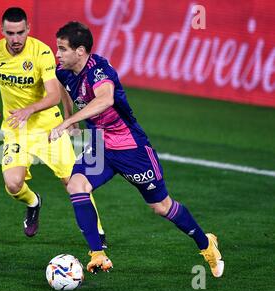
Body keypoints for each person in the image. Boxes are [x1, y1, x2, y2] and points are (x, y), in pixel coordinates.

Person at [49, 21, 224, 277]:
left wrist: (68, 121)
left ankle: (206, 244)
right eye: (57, 48)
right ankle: (97, 254)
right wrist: (69, 113)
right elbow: (65, 89)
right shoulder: (64, 71)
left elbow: (106, 98)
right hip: (99, 144)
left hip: (130, 146)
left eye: (62, 49)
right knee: (76, 185)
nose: (58, 54)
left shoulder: (99, 70)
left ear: (80, 51)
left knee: (161, 207)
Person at [0, 8, 108, 245]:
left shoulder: (42, 53)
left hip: (48, 128)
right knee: (13, 184)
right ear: (2, 31)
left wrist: (30, 110)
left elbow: (54, 95)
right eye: (10, 33)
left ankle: (97, 232)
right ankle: (33, 202)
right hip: (16, 129)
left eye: (20, 33)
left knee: (73, 182)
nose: (16, 39)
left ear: (28, 29)